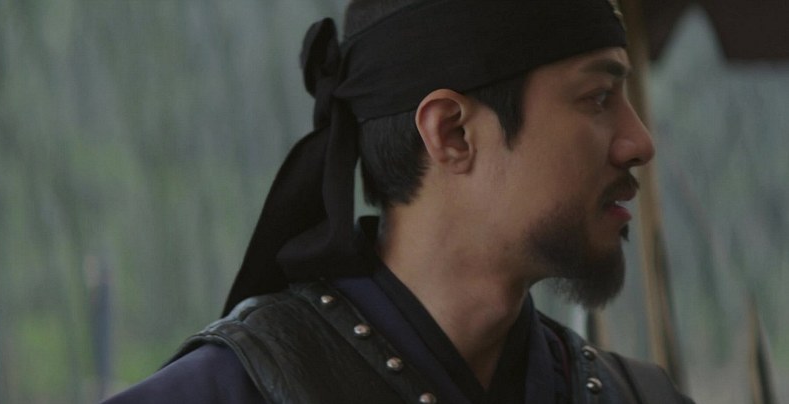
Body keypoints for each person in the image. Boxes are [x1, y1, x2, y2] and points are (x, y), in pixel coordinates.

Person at [104, 0, 695, 402]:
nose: (639, 142)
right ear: (452, 133)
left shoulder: (639, 397)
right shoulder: (223, 394)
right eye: (598, 97)